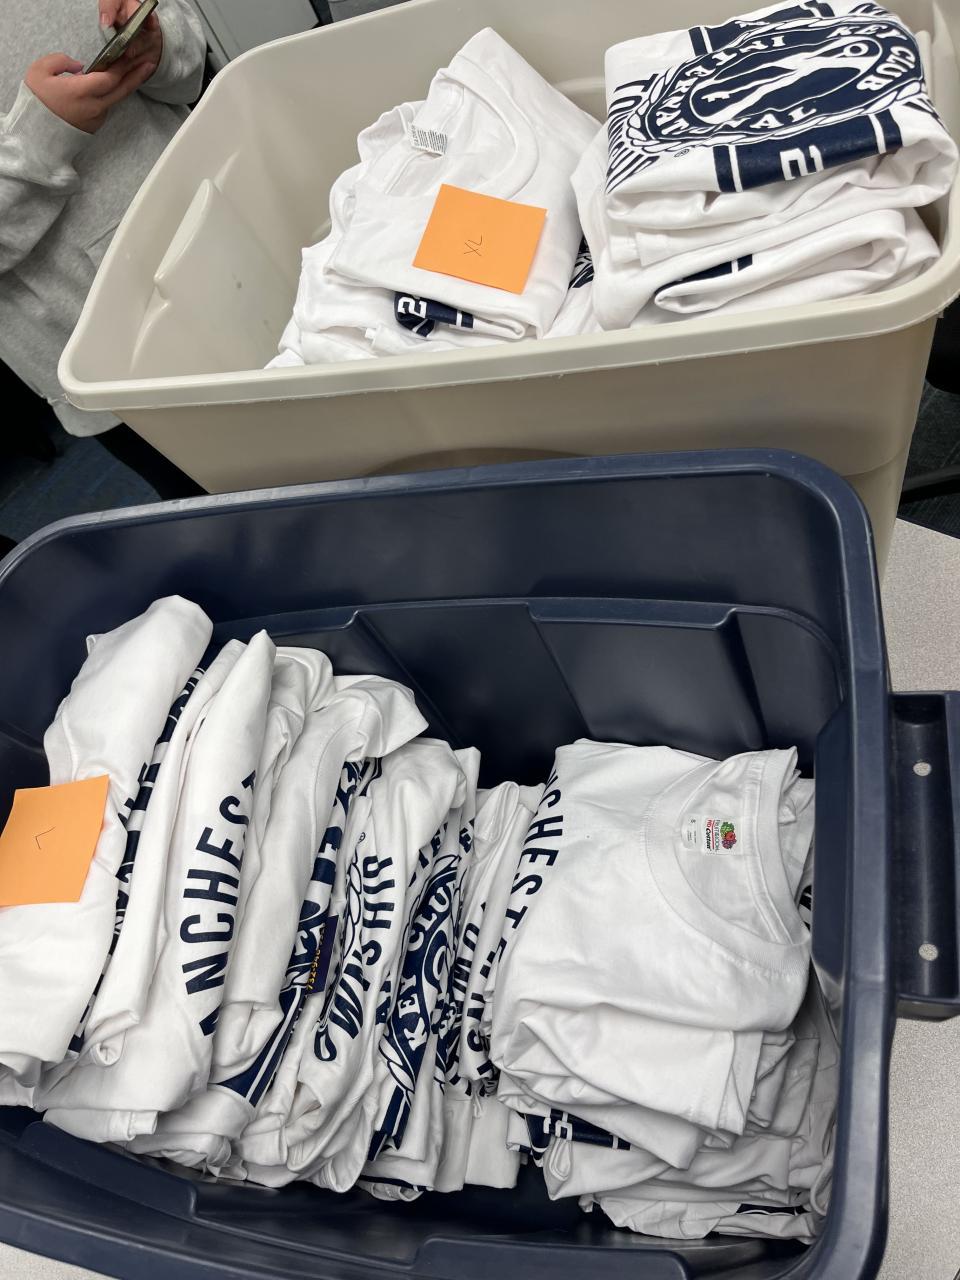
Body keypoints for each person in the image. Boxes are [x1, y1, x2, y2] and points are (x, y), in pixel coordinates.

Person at [0, 0, 208, 500]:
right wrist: (37, 138)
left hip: (218, 227)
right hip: (106, 349)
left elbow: (189, 63)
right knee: (243, 517)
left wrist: (157, 46)